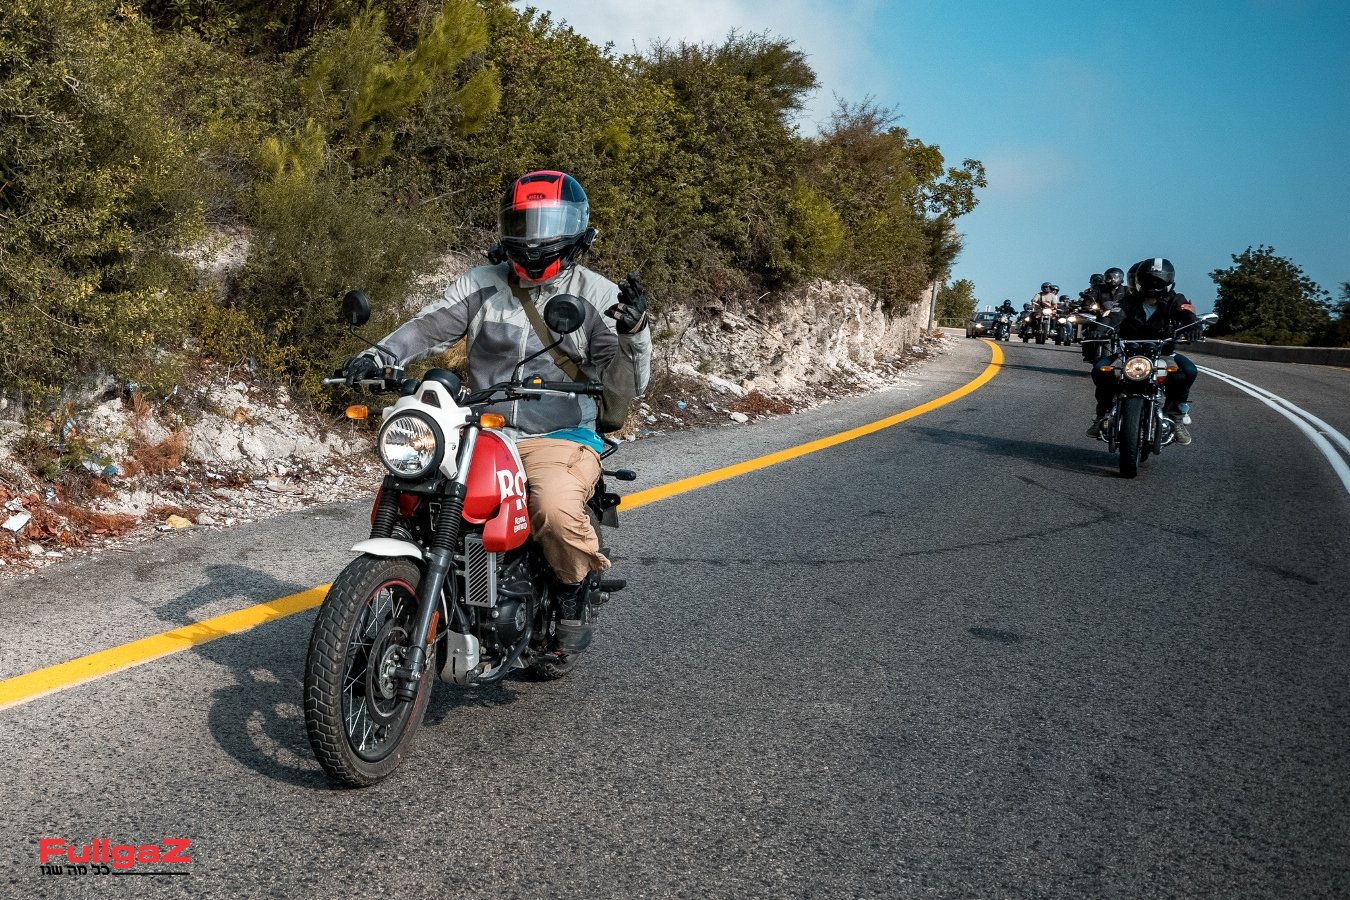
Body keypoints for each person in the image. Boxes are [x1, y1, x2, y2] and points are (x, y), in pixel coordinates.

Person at [342, 170, 652, 652]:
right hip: (478, 428)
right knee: (413, 487)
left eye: (546, 224)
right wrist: (378, 355)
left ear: (575, 229)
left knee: (553, 506)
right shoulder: (481, 283)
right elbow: (427, 327)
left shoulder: (599, 295)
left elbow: (629, 384)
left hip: (559, 434)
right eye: (524, 224)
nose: (534, 238)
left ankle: (571, 592)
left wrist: (634, 335)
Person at [1086, 258, 1199, 444]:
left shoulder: (1175, 299)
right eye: (1149, 280)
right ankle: (1103, 414)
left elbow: (1186, 313)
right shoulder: (1129, 300)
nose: (1153, 285)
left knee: (1188, 371)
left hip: (1163, 352)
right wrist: (1100, 328)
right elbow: (1115, 315)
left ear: (1168, 281)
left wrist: (1194, 327)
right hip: (1129, 352)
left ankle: (1175, 418)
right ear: (1140, 281)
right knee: (1100, 369)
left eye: (1158, 281)